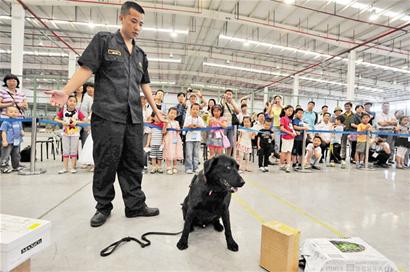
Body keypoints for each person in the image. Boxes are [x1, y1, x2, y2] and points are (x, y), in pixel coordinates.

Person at [45, 1, 165, 227]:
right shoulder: (104, 41)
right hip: (108, 115)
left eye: (141, 23)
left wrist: (156, 110)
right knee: (106, 162)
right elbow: (86, 69)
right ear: (121, 18)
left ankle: (135, 205)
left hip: (134, 118)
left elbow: (145, 84)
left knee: (133, 163)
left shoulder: (140, 55)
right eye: (133, 21)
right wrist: (66, 91)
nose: (137, 27)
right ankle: (103, 207)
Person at [54, 95, 86, 174]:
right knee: (65, 150)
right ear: (67, 102)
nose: (72, 103)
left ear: (76, 103)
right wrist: (63, 122)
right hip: (65, 133)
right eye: (70, 101)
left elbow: (85, 120)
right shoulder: (63, 111)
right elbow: (56, 118)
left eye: (74, 101)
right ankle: (65, 168)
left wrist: (77, 122)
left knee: (73, 150)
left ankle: (73, 167)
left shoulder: (78, 111)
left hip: (75, 133)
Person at [0, 106, 24, 173]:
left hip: (16, 141)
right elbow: (3, 132)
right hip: (8, 142)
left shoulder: (19, 121)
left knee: (16, 154)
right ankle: (4, 167)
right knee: (5, 155)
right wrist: (4, 140)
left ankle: (16, 166)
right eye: (11, 112)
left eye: (16, 112)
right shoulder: (6, 122)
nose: (13, 113)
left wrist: (22, 132)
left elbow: (21, 129)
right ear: (6, 113)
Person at [183, 103, 205, 174]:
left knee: (196, 154)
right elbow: (184, 128)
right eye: (193, 109)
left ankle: (196, 167)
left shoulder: (200, 119)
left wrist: (198, 126)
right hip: (189, 139)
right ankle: (189, 168)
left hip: (197, 139)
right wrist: (189, 126)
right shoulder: (188, 118)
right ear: (190, 110)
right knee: (189, 154)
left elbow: (204, 127)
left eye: (197, 109)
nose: (195, 111)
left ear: (199, 111)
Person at [163, 107, 183, 175]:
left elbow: (179, 132)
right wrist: (165, 125)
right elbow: (163, 132)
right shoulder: (165, 121)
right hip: (168, 139)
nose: (172, 114)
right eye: (171, 113)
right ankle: (168, 167)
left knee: (175, 152)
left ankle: (174, 167)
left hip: (175, 139)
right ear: (168, 113)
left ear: (176, 115)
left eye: (174, 113)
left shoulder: (177, 122)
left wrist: (178, 130)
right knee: (168, 152)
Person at [221, 89, 241, 156]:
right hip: (223, 126)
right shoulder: (222, 101)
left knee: (230, 143)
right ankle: (221, 157)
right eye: (227, 94)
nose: (228, 95)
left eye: (230, 94)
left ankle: (228, 157)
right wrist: (224, 100)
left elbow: (238, 112)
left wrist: (232, 102)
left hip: (231, 126)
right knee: (222, 142)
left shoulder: (233, 103)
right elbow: (221, 109)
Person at [279, 105, 296, 173]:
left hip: (291, 138)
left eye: (291, 111)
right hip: (285, 137)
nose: (290, 112)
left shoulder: (290, 120)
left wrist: (294, 132)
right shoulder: (283, 118)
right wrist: (290, 133)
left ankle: (288, 165)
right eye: (289, 110)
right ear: (285, 110)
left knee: (289, 151)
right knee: (284, 151)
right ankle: (282, 164)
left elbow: (291, 128)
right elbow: (281, 128)